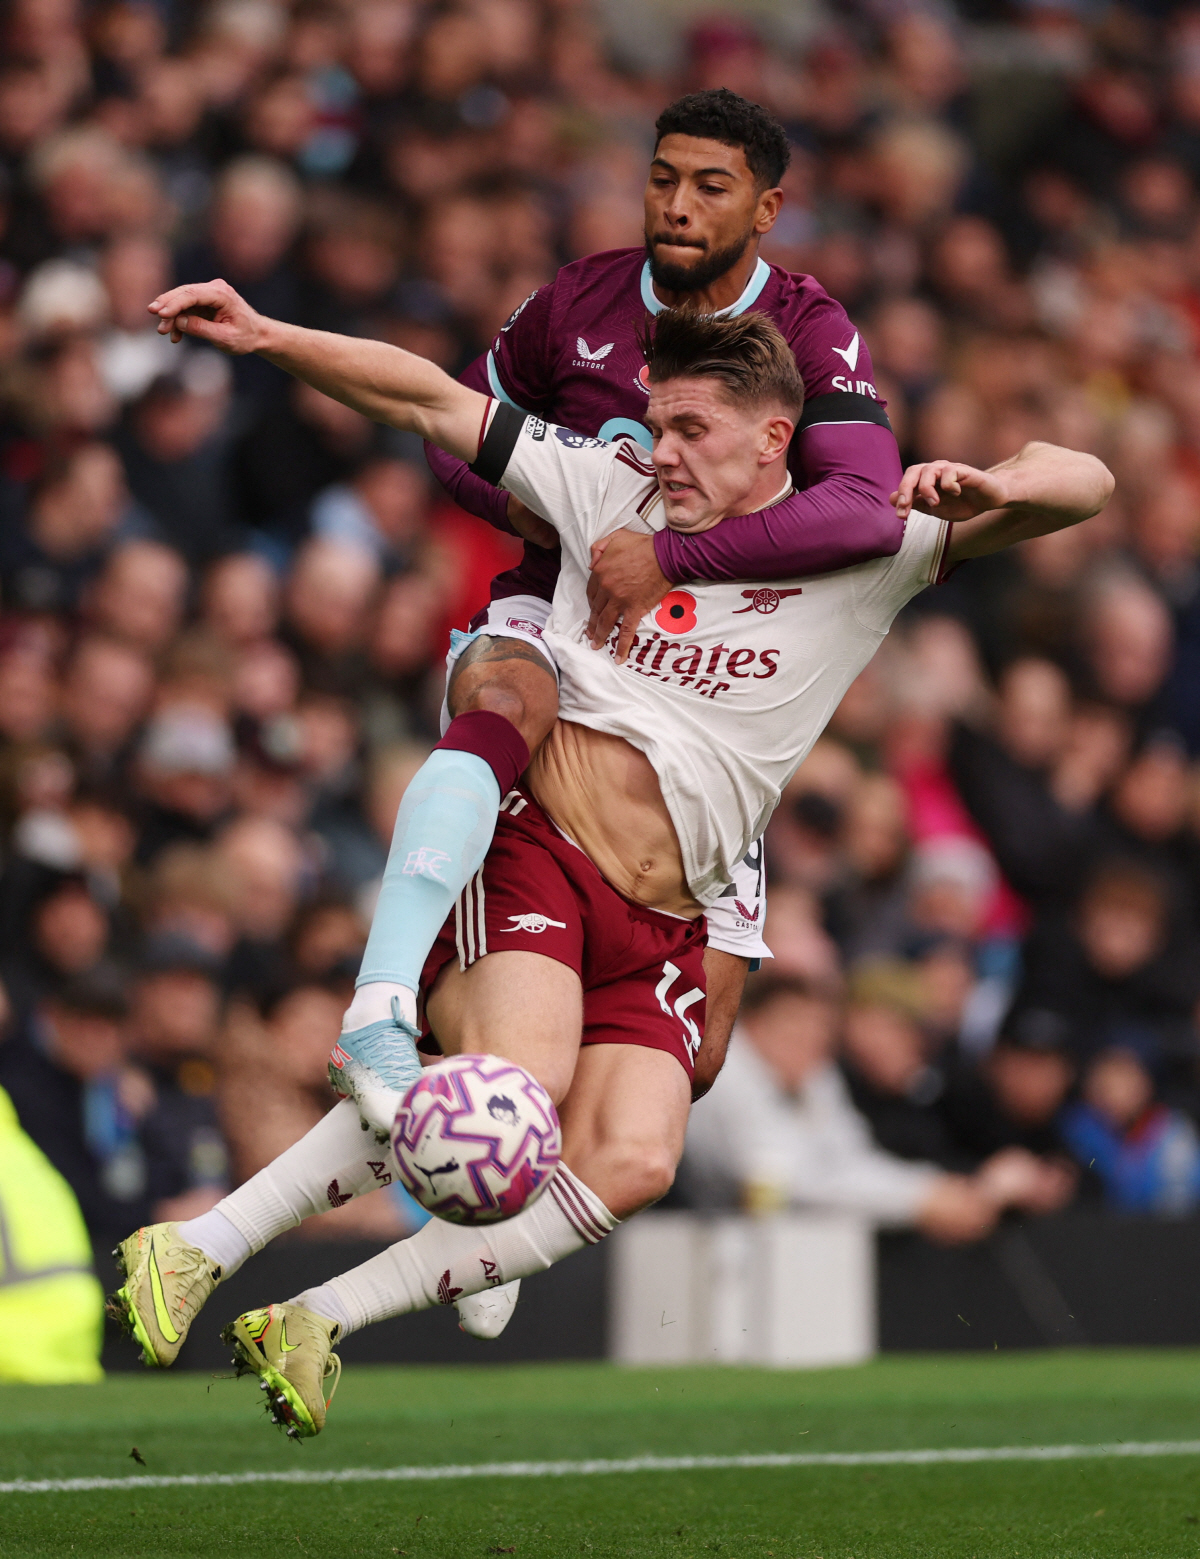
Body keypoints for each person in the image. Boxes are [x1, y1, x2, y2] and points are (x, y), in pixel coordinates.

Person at [105, 294, 1111, 1436]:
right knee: (507, 1097)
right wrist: (272, 335)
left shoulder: (866, 543)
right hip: (544, 851)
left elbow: (1089, 484)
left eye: (689, 429)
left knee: (634, 1158)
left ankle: (316, 1317)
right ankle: (200, 1247)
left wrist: (998, 485)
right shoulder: (606, 491)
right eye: (656, 422)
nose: (661, 452)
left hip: (672, 912)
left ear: (775, 436)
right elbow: (428, 397)